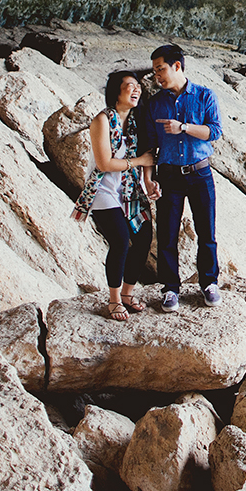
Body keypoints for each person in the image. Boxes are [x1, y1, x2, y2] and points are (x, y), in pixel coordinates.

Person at [74, 70, 159, 320]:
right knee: (121, 240)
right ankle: (112, 300)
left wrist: (148, 179)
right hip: (102, 190)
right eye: (129, 86)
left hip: (128, 188)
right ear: (116, 91)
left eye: (138, 87)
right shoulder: (102, 120)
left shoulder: (136, 120)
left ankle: (127, 293)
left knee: (144, 237)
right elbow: (103, 164)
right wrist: (139, 161)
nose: (136, 90)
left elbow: (148, 155)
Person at [144, 43, 222, 311]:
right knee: (166, 236)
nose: (157, 76)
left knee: (206, 232)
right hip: (168, 176)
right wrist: (149, 178)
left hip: (200, 173)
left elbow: (214, 131)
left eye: (160, 69)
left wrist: (184, 128)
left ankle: (209, 283)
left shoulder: (203, 95)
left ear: (177, 66)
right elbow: (149, 145)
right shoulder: (154, 104)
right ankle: (169, 289)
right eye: (155, 71)